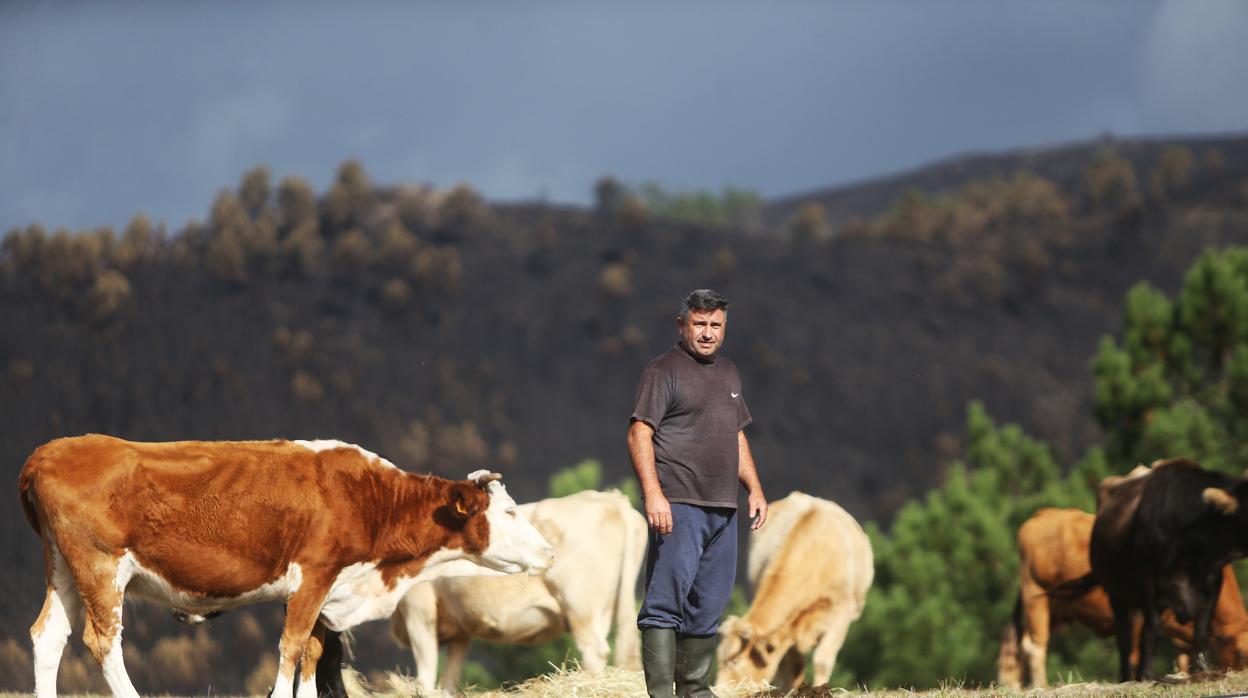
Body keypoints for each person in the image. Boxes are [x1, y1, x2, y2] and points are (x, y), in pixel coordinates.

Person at [627, 288, 767, 698]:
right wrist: (654, 495)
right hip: (679, 505)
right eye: (700, 324)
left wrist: (754, 489)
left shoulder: (729, 373)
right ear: (682, 325)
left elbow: (735, 436)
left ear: (725, 327)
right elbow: (640, 433)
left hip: (724, 509)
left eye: (715, 325)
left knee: (707, 608)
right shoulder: (663, 370)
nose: (707, 333)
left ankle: (696, 691)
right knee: (664, 605)